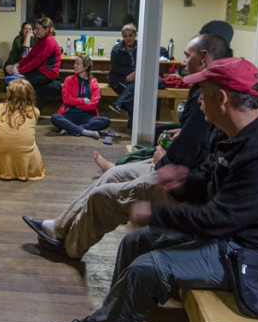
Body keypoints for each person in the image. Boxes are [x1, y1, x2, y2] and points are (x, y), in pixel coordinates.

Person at [43, 57, 258, 322]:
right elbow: (216, 191)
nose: (198, 100)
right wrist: (183, 184)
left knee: (149, 267)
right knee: (135, 244)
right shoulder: (233, 137)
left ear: (222, 98)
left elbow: (215, 220)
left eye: (203, 92)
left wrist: (155, 213)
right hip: (234, 238)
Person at [23, 32, 231, 259]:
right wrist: (181, 135)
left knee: (102, 197)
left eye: (186, 55)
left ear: (203, 57)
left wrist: (163, 159)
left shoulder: (212, 92)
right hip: (172, 166)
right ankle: (58, 227)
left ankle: (68, 248)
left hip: (179, 179)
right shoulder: (204, 90)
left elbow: (196, 152)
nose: (182, 61)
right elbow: (199, 136)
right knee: (112, 175)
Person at [0, 77, 44, 181]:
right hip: (25, 155)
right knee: (32, 140)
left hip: (0, 150)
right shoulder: (35, 111)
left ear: (9, 94)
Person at [6, 16, 62, 109]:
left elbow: (37, 61)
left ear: (46, 29)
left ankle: (30, 109)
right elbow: (30, 56)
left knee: (23, 81)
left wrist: (21, 71)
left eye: (38, 29)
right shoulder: (41, 41)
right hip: (41, 70)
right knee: (19, 79)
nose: (36, 31)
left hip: (48, 73)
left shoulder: (49, 41)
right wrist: (18, 64)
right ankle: (23, 108)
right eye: (36, 29)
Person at [51, 53, 111, 139]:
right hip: (70, 114)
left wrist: (75, 104)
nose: (74, 66)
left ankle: (70, 129)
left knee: (105, 121)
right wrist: (82, 101)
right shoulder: (69, 80)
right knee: (55, 117)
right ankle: (85, 131)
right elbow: (66, 100)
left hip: (87, 117)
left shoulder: (94, 83)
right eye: (75, 63)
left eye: (78, 63)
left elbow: (93, 105)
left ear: (86, 67)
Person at [108, 24, 138, 115]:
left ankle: (118, 103)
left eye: (130, 35)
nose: (128, 38)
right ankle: (133, 123)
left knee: (139, 86)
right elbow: (116, 68)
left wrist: (136, 73)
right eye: (125, 36)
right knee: (136, 90)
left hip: (136, 78)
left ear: (135, 35)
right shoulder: (117, 49)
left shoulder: (141, 47)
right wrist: (133, 73)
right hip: (118, 78)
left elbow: (146, 63)